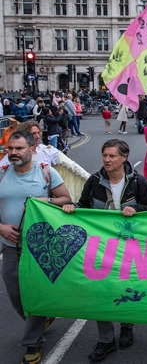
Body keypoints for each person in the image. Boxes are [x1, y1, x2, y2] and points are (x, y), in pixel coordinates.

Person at [62, 139, 147, 361]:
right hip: (101, 248)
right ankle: (105, 340)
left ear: (124, 158)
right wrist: (72, 207)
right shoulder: (95, 181)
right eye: (104, 155)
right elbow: (84, 205)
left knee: (126, 288)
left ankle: (126, 326)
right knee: (100, 292)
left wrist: (136, 207)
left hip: (129, 247)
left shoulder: (138, 182)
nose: (107, 160)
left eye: (112, 156)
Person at [0, 130, 72, 364]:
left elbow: (66, 199)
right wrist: (0, 227)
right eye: (10, 148)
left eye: (19, 148)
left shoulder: (46, 173)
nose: (12, 153)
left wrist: (46, 200)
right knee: (16, 296)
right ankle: (41, 319)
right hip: (10, 248)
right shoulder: (1, 173)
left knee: (35, 293)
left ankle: (33, 343)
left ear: (32, 149)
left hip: (38, 248)